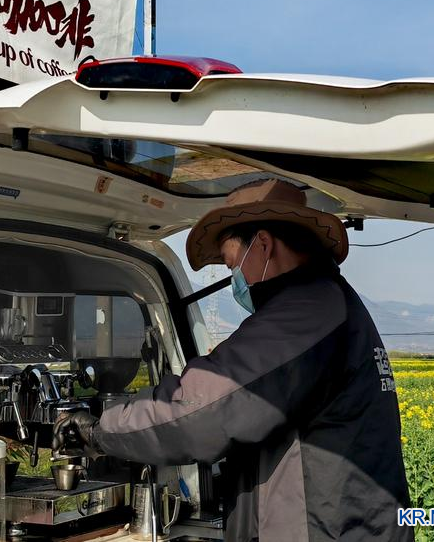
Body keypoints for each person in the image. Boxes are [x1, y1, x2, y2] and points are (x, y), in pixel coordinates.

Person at [54, 179, 413, 541]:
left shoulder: (306, 312)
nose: (235, 280)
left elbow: (202, 411)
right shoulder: (328, 303)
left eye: (231, 265)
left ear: (263, 245)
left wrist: (98, 431)